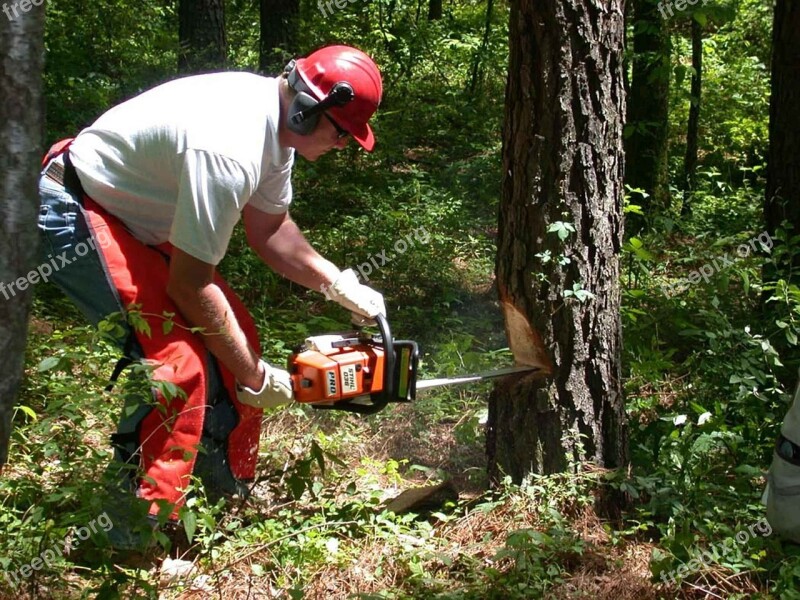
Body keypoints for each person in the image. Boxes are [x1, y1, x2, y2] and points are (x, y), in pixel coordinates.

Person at [37, 45, 386, 546]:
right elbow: (190, 284)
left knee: (237, 337)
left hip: (140, 218)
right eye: (342, 132)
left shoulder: (275, 134)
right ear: (308, 110)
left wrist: (336, 282)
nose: (343, 145)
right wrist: (256, 377)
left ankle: (216, 499)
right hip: (78, 205)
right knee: (176, 370)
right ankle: (130, 537)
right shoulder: (230, 146)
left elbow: (269, 229)